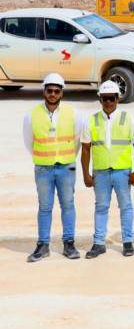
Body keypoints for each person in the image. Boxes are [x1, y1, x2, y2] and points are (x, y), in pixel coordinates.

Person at [23, 73, 84, 262]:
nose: (52, 94)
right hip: (43, 169)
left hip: (66, 167)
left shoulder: (73, 113)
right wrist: (44, 157)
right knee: (45, 207)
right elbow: (29, 142)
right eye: (49, 90)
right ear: (44, 91)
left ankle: (69, 244)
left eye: (56, 91)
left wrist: (66, 158)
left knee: (68, 205)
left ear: (61, 93)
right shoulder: (31, 114)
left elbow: (77, 140)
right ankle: (43, 245)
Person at [81, 81, 134, 258]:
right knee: (101, 207)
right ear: (100, 99)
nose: (108, 101)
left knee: (126, 206)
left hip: (122, 172)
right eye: (105, 98)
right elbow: (86, 149)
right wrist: (86, 173)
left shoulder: (128, 118)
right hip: (100, 173)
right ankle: (99, 243)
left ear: (117, 99)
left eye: (112, 98)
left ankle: (128, 243)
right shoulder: (91, 120)